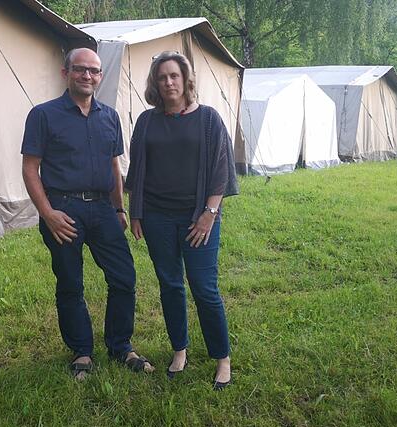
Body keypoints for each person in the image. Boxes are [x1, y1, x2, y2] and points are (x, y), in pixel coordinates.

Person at [21, 48, 154, 381]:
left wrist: (119, 207)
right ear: (65, 73)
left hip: (103, 208)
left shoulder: (109, 116)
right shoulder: (43, 115)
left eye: (94, 71)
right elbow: (29, 168)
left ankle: (121, 346)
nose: (87, 76)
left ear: (100, 76)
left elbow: (113, 164)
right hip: (63, 210)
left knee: (124, 277)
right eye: (80, 70)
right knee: (70, 282)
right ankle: (82, 351)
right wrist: (48, 213)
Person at [125, 51, 239, 390]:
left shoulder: (208, 119)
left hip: (198, 219)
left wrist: (209, 214)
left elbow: (220, 171)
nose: (168, 82)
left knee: (204, 289)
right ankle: (180, 349)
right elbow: (138, 169)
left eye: (174, 76)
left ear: (186, 80)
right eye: (162, 78)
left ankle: (222, 358)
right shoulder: (146, 121)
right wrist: (136, 211)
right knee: (170, 285)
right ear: (155, 84)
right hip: (157, 217)